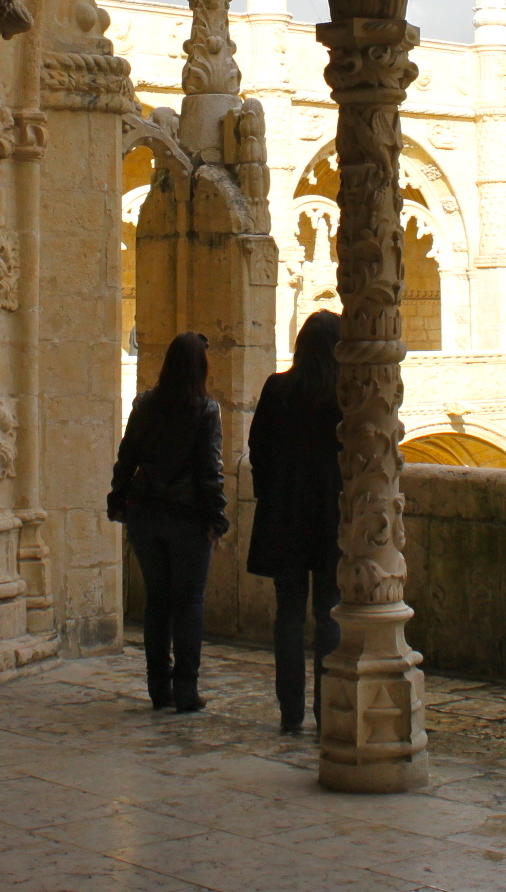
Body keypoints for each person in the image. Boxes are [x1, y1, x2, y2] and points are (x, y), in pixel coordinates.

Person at [108, 332, 226, 714]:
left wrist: (118, 499)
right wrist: (216, 518)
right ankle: (186, 690)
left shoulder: (145, 404)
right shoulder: (205, 410)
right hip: (188, 518)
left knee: (157, 602)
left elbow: (127, 456)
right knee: (189, 602)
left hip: (146, 514)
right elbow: (210, 471)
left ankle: (159, 687)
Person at [246, 311, 341, 735]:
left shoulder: (278, 388)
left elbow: (257, 448)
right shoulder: (344, 396)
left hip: (285, 517)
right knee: (328, 612)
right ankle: (327, 710)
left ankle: (290, 711)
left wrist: (270, 494)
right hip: (330, 520)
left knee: (288, 614)